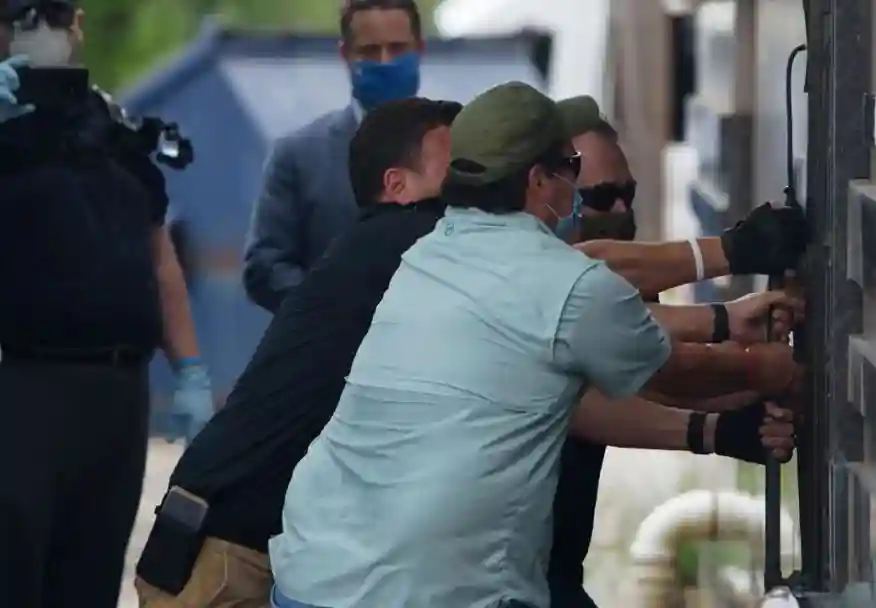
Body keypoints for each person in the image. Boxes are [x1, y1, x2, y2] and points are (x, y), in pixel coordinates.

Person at [139, 93, 804, 608]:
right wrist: (731, 272)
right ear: (398, 186)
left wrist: (718, 359)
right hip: (226, 561)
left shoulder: (437, 260)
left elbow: (578, 356)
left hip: (295, 564)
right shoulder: (423, 246)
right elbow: (592, 288)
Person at [136, 97, 462, 608]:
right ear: (397, 186)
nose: (470, 189)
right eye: (455, 170)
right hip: (223, 556)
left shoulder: (369, 251)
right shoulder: (405, 240)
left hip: (222, 538)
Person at [548, 96, 801, 607]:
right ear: (545, 198)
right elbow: (659, 361)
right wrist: (735, 267)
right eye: (601, 197)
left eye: (627, 194)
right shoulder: (531, 280)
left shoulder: (606, 290)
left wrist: (750, 410)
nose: (621, 211)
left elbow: (662, 379)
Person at [0, 1, 211, 606]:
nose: (44, 30)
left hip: (118, 393)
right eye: (24, 17)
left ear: (78, 25)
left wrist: (191, 371)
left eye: (55, 14)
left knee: (91, 575)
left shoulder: (113, 130)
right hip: (26, 384)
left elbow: (160, 259)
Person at [242, 0, 425, 312]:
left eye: (397, 49)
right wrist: (334, 307)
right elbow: (264, 268)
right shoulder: (299, 157)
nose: (385, 62)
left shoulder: (462, 153)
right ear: (346, 55)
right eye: (370, 51)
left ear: (419, 49)